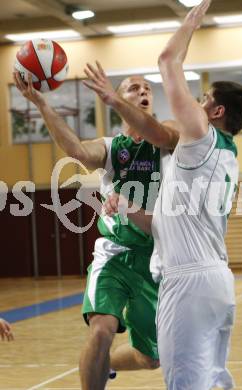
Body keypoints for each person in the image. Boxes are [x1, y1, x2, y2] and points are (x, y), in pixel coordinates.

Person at [103, 0, 242, 388]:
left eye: (204, 97)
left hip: (187, 283)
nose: (196, 102)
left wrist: (193, 18)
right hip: (216, 280)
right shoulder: (222, 156)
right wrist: (127, 207)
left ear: (216, 111)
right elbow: (164, 225)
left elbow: (168, 60)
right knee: (215, 379)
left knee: (185, 382)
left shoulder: (201, 136)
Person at [13, 70, 178, 390]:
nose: (143, 91)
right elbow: (75, 149)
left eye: (147, 88)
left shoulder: (168, 133)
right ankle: (98, 363)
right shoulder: (111, 146)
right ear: (117, 101)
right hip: (114, 254)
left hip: (156, 259)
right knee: (102, 330)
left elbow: (166, 132)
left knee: (150, 359)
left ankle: (108, 364)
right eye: (133, 88)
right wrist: (43, 105)